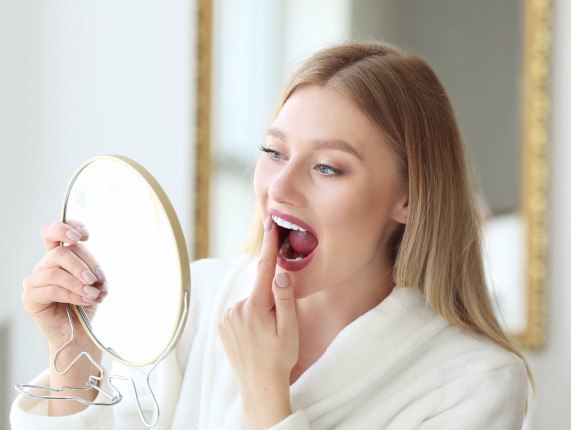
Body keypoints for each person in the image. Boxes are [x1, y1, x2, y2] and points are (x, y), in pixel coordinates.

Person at [11, 41, 531, 429]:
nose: (278, 187)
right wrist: (73, 356)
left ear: (411, 198)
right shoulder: (197, 302)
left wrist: (265, 392)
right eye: (274, 153)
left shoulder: (475, 383)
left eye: (328, 167)